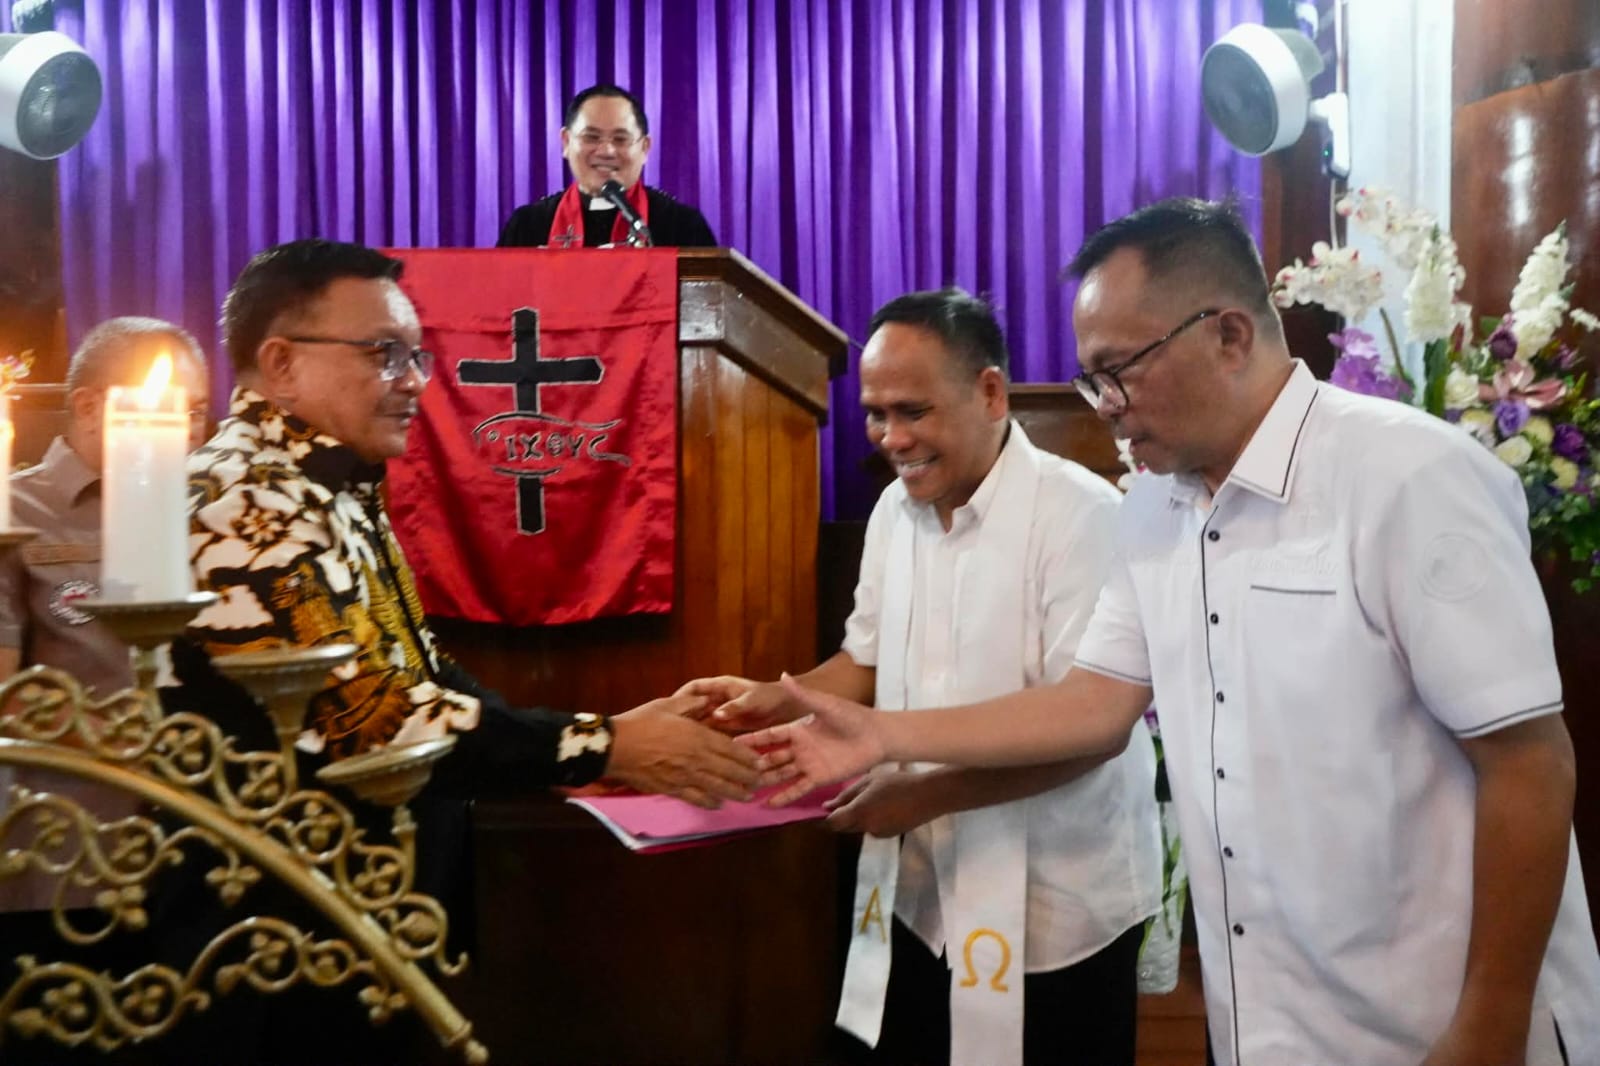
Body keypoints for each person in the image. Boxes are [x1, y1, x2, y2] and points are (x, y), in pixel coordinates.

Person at [748, 199, 1600, 1066]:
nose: (1106, 407)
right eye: (1092, 379)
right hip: (1265, 1014)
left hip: (1433, 1012)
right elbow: (1092, 705)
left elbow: (1529, 763)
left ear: (1228, 335)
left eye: (1119, 371)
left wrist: (1490, 1020)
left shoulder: (1407, 476)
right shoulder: (1155, 507)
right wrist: (883, 733)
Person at [152, 238, 756, 1063]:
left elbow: (422, 672)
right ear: (283, 363)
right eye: (384, 353)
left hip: (364, 909)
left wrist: (601, 736)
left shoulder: (329, 482)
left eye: (416, 356)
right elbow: (375, 723)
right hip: (274, 929)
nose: (414, 382)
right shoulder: (237, 496)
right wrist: (607, 745)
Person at [679, 289, 1161, 1066]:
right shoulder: (892, 512)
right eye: (875, 414)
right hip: (921, 886)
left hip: (1056, 901)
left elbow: (1090, 731)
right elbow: (865, 662)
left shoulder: (1082, 514)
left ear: (991, 392)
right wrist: (775, 700)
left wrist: (926, 793)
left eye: (913, 411)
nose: (891, 438)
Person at [0, 317, 209, 1066]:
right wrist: (129, 736)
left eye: (195, 411)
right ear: (88, 407)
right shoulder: (17, 515)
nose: (186, 430)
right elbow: (6, 702)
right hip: (65, 857)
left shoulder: (208, 510)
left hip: (195, 851)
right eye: (163, 406)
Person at [497, 84, 717, 249]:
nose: (606, 151)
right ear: (566, 142)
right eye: (591, 137)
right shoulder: (528, 226)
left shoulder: (682, 226)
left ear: (645, 148)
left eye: (620, 139)